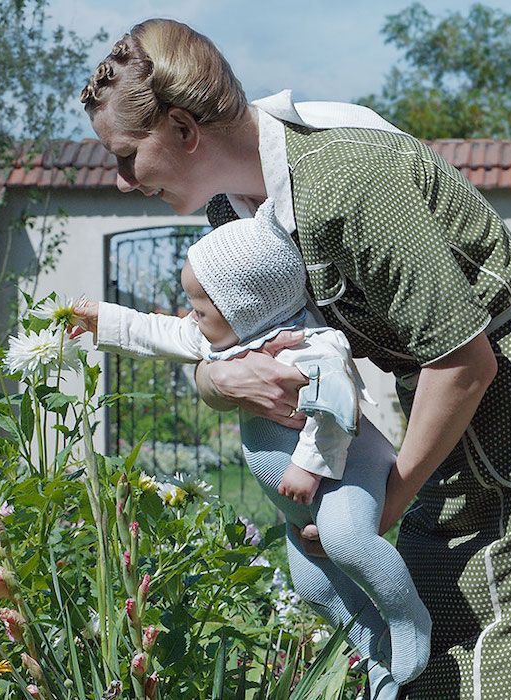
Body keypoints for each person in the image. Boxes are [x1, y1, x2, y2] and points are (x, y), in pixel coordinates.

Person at [72, 18, 511, 698]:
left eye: (125, 154)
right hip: (450, 431)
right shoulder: (233, 217)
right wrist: (216, 381)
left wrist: (384, 508)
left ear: (182, 128)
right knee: (431, 671)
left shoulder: (348, 182)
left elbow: (465, 363)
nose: (119, 180)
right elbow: (230, 344)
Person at [78, 202, 431, 695]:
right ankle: (374, 644)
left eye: (200, 309)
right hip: (298, 502)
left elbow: (338, 408)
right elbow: (156, 330)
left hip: (345, 472)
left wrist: (308, 468)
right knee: (313, 587)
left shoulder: (312, 346)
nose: (190, 318)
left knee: (350, 542)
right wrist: (101, 321)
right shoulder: (225, 339)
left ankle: (409, 620)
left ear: (243, 307)